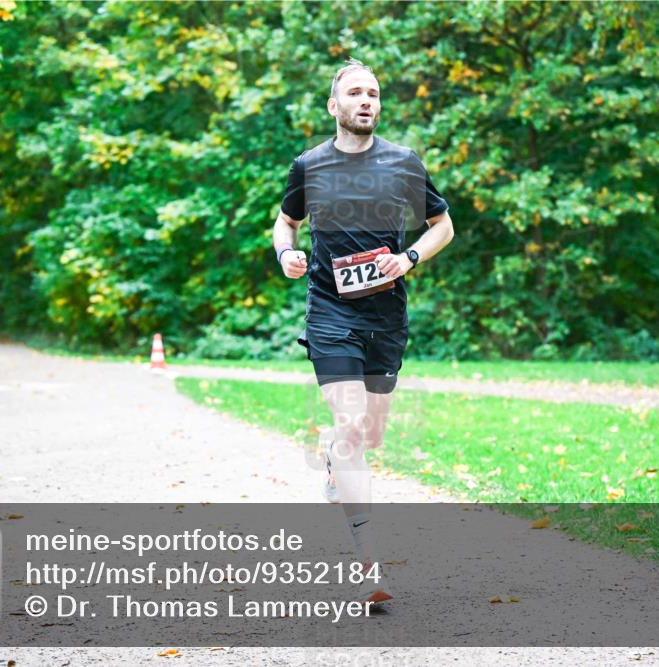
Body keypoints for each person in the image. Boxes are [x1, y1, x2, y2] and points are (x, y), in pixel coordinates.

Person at [273, 58, 454, 605]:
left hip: (386, 317)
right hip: (330, 313)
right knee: (351, 429)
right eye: (354, 92)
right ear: (335, 106)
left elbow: (442, 225)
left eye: (373, 93)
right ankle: (369, 562)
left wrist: (410, 258)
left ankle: (334, 456)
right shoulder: (310, 165)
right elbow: (286, 221)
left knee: (368, 436)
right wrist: (287, 253)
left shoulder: (404, 164)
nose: (366, 100)